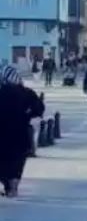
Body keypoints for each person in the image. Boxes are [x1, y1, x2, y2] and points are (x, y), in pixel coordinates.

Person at [0, 64, 44, 197]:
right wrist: (28, 114)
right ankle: (13, 187)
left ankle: (8, 185)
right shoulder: (27, 93)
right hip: (21, 134)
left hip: (3, 135)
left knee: (4, 162)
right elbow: (39, 108)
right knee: (18, 162)